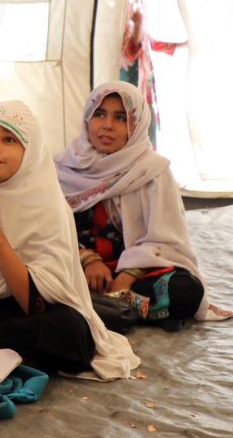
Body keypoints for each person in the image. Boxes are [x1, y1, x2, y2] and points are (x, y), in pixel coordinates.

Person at [0, 101, 140, 379]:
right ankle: (1, 351)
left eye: (9, 139)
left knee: (70, 329)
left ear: (30, 152)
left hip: (20, 312)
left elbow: (36, 303)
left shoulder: (47, 204)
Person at [55, 81, 228, 326]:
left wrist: (127, 276)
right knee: (34, 276)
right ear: (86, 119)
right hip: (76, 266)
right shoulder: (63, 167)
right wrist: (87, 260)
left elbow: (166, 240)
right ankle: (119, 308)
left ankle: (104, 306)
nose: (107, 125)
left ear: (136, 126)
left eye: (120, 118)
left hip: (137, 271)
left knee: (186, 291)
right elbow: (50, 231)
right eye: (100, 114)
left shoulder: (152, 170)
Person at [120, 0, 184, 148]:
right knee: (138, 138)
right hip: (131, 100)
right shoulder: (126, 34)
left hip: (145, 97)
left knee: (148, 134)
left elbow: (155, 44)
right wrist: (138, 23)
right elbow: (130, 51)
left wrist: (185, 44)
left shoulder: (141, 34)